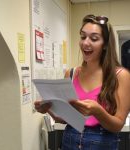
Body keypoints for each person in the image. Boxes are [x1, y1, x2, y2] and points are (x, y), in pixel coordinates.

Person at [34, 14, 130, 150]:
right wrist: (48, 109)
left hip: (102, 142)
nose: (85, 43)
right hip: (69, 139)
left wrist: (98, 111)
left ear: (105, 45)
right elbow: (65, 118)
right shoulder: (71, 74)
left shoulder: (121, 76)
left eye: (94, 38)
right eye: (83, 36)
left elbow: (118, 125)